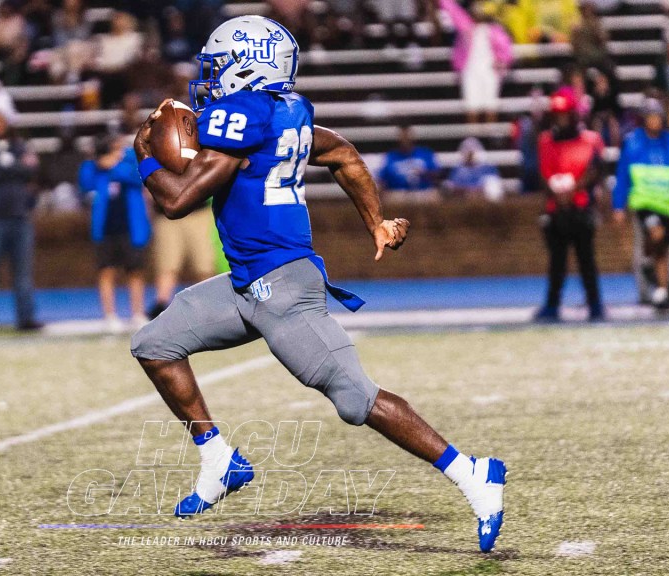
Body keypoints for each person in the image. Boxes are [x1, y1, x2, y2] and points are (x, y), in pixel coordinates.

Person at [130, 16, 506, 553]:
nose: (209, 82)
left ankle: (473, 472)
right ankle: (218, 460)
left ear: (246, 67)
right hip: (246, 284)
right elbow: (345, 156)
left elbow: (177, 201)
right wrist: (374, 220)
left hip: (280, 288)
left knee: (357, 399)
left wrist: (143, 155)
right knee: (154, 345)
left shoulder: (244, 114)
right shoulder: (290, 109)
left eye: (218, 68)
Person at [611, 99, 669, 309]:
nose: (654, 121)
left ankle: (662, 291)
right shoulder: (633, 142)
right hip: (645, 203)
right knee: (654, 236)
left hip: (668, 204)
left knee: (666, 249)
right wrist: (618, 206)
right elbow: (622, 176)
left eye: (657, 116)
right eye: (650, 117)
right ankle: (647, 279)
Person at [535, 87, 606, 322]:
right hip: (557, 210)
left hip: (581, 207)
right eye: (557, 115)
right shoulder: (545, 141)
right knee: (557, 261)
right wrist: (556, 193)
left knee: (586, 259)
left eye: (565, 114)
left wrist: (574, 189)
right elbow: (543, 174)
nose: (561, 119)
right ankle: (552, 304)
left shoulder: (590, 140)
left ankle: (595, 303)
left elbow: (596, 169)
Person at [0, 109, 43, 333]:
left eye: (1, 121)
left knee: (23, 271)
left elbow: (31, 169)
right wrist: (14, 168)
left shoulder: (18, 145)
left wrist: (9, 166)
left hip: (19, 217)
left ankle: (25, 317)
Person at [80, 134, 151, 333]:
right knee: (106, 271)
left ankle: (137, 313)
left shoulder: (129, 160)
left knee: (135, 270)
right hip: (105, 228)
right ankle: (109, 315)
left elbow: (138, 177)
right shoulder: (94, 167)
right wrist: (100, 162)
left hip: (131, 226)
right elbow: (85, 181)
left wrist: (114, 164)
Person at [439, 0, 513, 125]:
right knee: (472, 107)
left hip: (490, 71)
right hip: (471, 71)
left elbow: (506, 49)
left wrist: (502, 62)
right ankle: (474, 137)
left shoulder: (494, 30)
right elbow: (452, 9)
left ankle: (490, 139)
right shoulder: (466, 26)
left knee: (490, 106)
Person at [378, 125, 440, 192]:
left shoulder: (425, 153)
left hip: (424, 192)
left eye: (407, 136)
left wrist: (424, 173)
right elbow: (382, 179)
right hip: (398, 193)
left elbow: (436, 175)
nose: (405, 140)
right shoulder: (390, 157)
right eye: (403, 137)